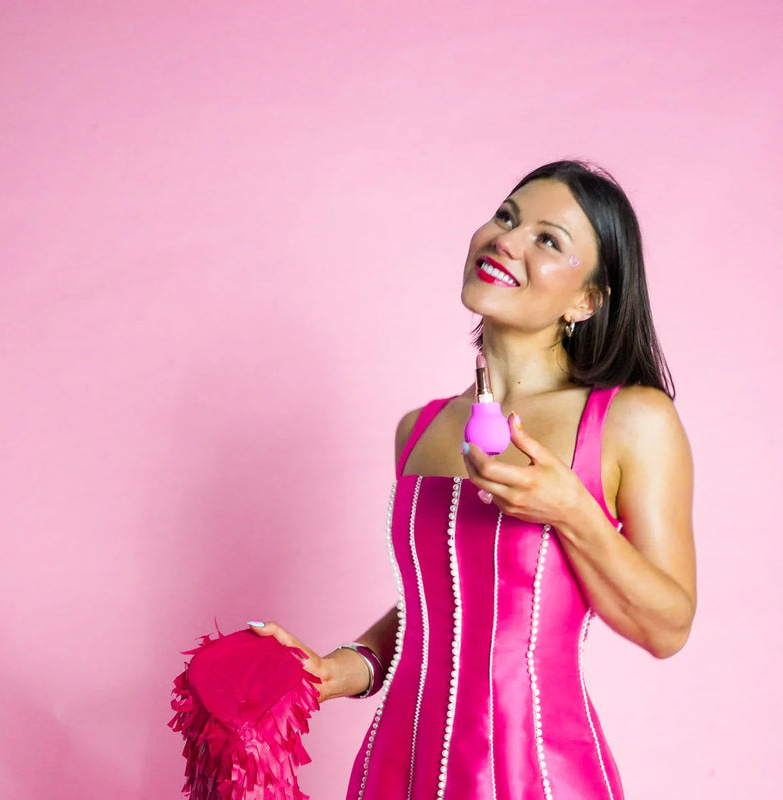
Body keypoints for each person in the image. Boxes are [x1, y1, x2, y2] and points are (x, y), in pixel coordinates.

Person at [250, 160, 696, 799]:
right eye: (507, 217)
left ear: (587, 300)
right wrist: (336, 670)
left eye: (549, 239)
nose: (506, 241)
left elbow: (668, 627)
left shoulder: (631, 420)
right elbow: (441, 601)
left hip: (537, 776)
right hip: (394, 774)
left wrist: (572, 508)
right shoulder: (420, 428)